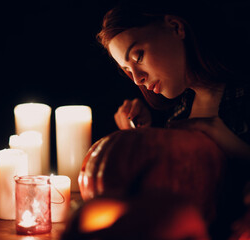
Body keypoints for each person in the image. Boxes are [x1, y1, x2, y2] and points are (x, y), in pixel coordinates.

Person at [97, 0, 250, 161]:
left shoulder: (243, 95)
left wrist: (233, 146)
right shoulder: (178, 113)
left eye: (138, 57)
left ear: (176, 27)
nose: (137, 79)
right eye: (127, 70)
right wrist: (146, 136)